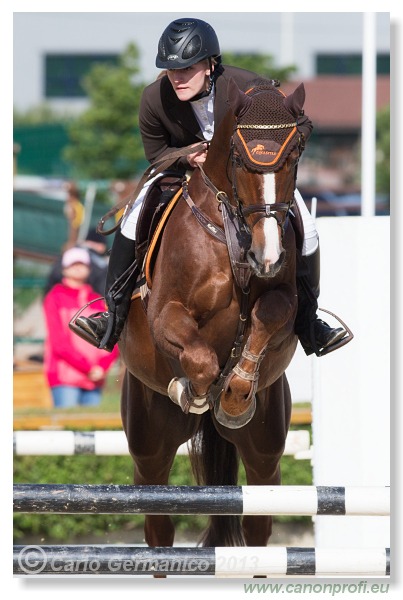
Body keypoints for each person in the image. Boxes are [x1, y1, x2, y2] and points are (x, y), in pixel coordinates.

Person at [74, 17, 347, 356]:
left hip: (246, 177)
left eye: (187, 68)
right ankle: (112, 315)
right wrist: (187, 158)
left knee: (307, 225)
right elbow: (156, 154)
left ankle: (310, 322)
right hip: (183, 174)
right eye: (172, 69)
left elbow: (298, 122)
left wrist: (277, 153)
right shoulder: (154, 99)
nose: (178, 77)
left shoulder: (247, 87)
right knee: (133, 215)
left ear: (209, 64)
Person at [43, 246, 119, 408]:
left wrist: (102, 367)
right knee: (66, 428)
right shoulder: (55, 297)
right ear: (64, 269)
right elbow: (58, 342)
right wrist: (88, 368)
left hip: (95, 378)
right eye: (73, 264)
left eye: (82, 264)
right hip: (65, 379)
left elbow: (113, 337)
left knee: (91, 427)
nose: (78, 267)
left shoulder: (98, 300)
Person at [44, 228, 109, 297]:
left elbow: (52, 279)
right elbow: (103, 291)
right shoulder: (100, 264)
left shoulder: (68, 253)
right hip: (86, 303)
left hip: (56, 299)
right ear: (102, 246)